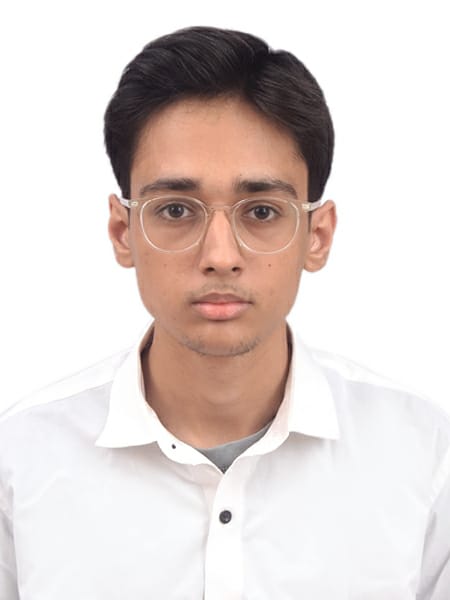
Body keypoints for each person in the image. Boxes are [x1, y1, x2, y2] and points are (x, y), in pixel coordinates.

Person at [0, 25, 449, 600]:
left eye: (261, 211)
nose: (219, 255)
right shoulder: (21, 462)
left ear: (317, 235)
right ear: (122, 231)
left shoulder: (422, 455)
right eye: (176, 210)